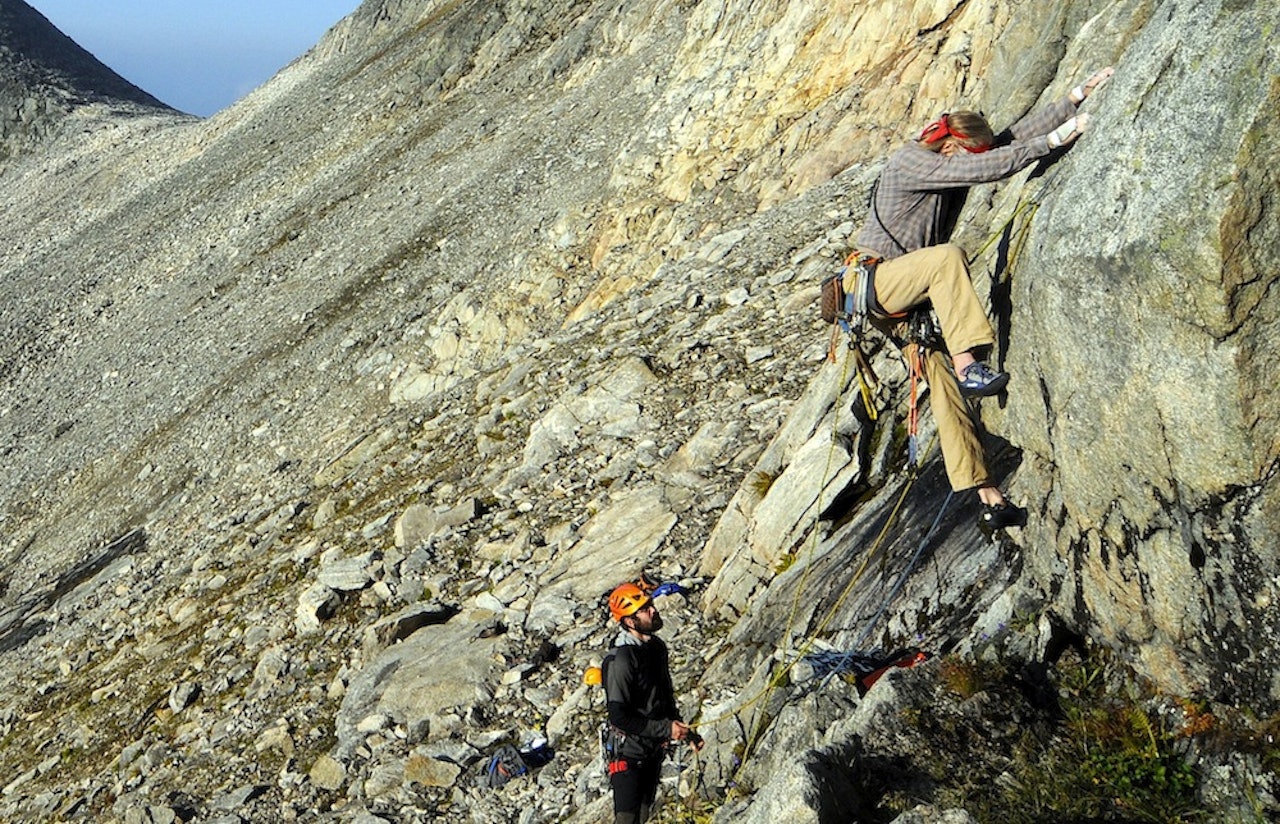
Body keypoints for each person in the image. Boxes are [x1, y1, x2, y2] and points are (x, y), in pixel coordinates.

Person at [847, 67, 1115, 534]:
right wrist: (1053, 143)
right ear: (950, 148)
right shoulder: (913, 161)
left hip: (900, 298)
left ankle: (989, 498)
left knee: (945, 394)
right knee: (945, 260)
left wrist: (1073, 99)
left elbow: (1003, 143)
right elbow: (987, 166)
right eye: (965, 153)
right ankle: (971, 365)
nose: (969, 159)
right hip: (876, 281)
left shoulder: (944, 156)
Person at [601, 581, 703, 824]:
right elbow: (619, 716)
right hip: (627, 752)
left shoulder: (656, 648)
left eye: (650, 605)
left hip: (652, 749)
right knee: (627, 818)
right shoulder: (621, 660)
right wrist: (666, 729)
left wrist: (684, 733)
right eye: (645, 609)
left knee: (644, 814)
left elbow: (663, 697)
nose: (653, 611)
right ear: (629, 621)